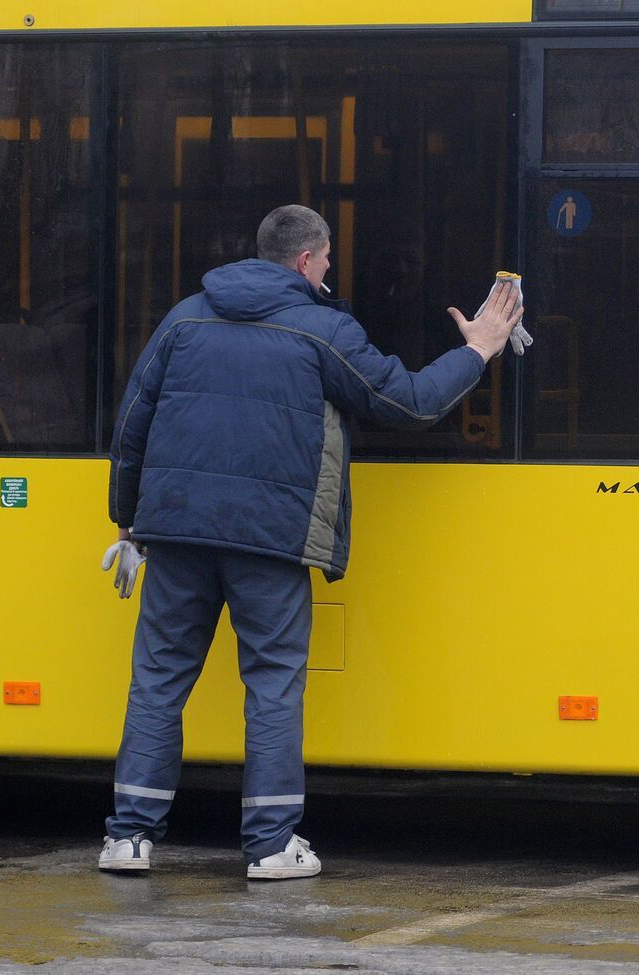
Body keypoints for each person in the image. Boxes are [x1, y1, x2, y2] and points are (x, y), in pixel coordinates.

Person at [97, 204, 521, 879]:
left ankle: (129, 837)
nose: (329, 271)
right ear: (306, 261)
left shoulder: (184, 319)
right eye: (327, 260)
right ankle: (269, 845)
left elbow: (133, 425)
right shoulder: (322, 330)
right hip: (270, 537)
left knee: (157, 680)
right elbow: (408, 401)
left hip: (173, 531)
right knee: (271, 684)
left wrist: (127, 520)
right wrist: (479, 349)